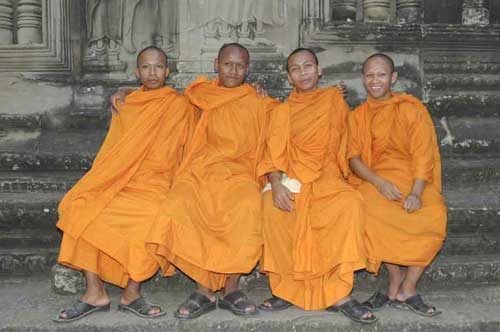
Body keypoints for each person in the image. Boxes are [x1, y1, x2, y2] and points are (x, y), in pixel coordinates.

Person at [54, 46, 197, 322]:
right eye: (146, 67)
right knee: (79, 208)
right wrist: (126, 92)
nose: (152, 73)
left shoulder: (180, 104)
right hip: (120, 181)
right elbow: (113, 152)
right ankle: (94, 292)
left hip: (156, 185)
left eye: (158, 67)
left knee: (149, 223)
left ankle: (132, 293)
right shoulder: (126, 104)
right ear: (137, 72)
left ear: (168, 71)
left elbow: (211, 109)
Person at [145, 43, 279, 319]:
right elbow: (159, 100)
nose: (233, 70)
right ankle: (204, 289)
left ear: (248, 68)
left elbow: (285, 125)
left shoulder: (258, 102)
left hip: (239, 173)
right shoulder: (200, 96)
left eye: (240, 65)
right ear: (216, 65)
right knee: (180, 202)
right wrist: (124, 92)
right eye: (227, 64)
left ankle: (230, 289)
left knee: (247, 207)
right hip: (201, 170)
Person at [257, 48, 377, 325]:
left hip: (327, 175)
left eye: (308, 66)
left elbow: (346, 142)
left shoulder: (333, 100)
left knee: (349, 203)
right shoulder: (282, 111)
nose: (303, 73)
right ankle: (287, 289)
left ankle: (339, 293)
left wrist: (337, 95)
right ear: (289, 77)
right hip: (292, 176)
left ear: (319, 70)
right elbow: (272, 155)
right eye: (296, 69)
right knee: (272, 208)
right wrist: (275, 185)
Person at [348, 53, 447, 317]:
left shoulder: (411, 108)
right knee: (371, 209)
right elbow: (354, 158)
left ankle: (409, 287)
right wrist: (379, 183)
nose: (375, 81)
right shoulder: (358, 115)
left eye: (381, 75)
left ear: (393, 78)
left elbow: (423, 154)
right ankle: (393, 283)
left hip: (414, 178)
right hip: (376, 177)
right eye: (369, 75)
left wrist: (416, 192)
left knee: (433, 214)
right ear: (363, 79)